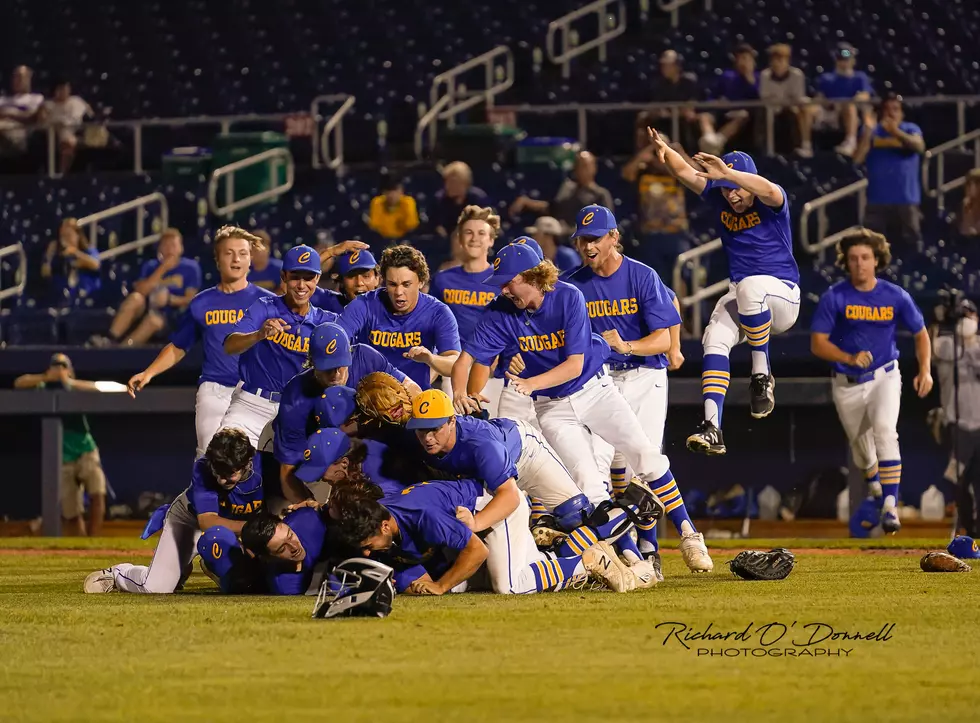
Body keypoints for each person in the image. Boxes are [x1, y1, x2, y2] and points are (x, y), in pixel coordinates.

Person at [451, 240, 713, 573]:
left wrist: (530, 382)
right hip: (552, 407)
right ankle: (631, 558)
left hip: (594, 390)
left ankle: (689, 534)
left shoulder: (568, 295)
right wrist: (462, 391)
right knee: (588, 483)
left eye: (508, 281)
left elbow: (575, 364)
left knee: (644, 455)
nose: (503, 289)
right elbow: (467, 359)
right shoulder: (501, 310)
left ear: (531, 275)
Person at [566, 206, 704, 577]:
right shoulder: (573, 283)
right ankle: (630, 550)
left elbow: (664, 329)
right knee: (604, 467)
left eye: (595, 238)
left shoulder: (641, 274)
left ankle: (655, 545)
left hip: (644, 374)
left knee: (643, 462)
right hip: (600, 380)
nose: (588, 245)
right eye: (582, 239)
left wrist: (631, 345)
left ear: (614, 237)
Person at [648, 128, 801, 455]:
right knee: (714, 335)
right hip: (747, 299)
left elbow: (770, 189)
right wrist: (665, 150)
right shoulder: (719, 196)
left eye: (736, 188)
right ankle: (712, 426)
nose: (731, 194)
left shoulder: (770, 201)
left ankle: (762, 375)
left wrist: (730, 174)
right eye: (726, 189)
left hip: (783, 297)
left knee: (749, 287)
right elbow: (685, 171)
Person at [810, 229, 932, 534]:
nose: (859, 264)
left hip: (884, 376)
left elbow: (921, 332)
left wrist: (925, 370)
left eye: (865, 257)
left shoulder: (895, 295)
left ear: (877, 260)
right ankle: (877, 490)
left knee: (885, 432)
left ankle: (891, 507)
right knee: (862, 452)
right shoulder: (835, 296)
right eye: (853, 259)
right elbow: (817, 343)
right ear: (846, 263)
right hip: (846, 382)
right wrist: (849, 358)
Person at [330, 476, 639, 595]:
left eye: (369, 546)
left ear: (384, 526)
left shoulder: (423, 517)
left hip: (488, 510)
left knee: (509, 585)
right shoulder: (378, 515)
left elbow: (476, 551)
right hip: (463, 523)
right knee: (461, 585)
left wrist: (438, 586)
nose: (368, 553)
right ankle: (566, 546)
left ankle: (583, 562)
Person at [126, 226, 275, 457]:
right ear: (217, 260)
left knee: (253, 468)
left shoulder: (270, 303)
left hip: (255, 394)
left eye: (243, 253)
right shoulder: (200, 303)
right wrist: (149, 373)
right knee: (211, 461)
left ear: (250, 260)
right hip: (214, 392)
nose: (236, 259)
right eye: (229, 253)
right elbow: (179, 346)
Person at [83, 428, 263, 594]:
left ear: (247, 463)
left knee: (251, 582)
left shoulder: (265, 466)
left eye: (230, 473)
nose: (222, 480)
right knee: (156, 587)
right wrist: (252, 528)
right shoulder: (203, 467)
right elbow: (207, 521)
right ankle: (117, 574)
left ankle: (206, 565)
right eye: (218, 471)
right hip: (189, 521)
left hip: (232, 529)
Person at [273, 323, 420, 502]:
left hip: (369, 443)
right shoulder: (295, 398)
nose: (335, 374)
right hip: (322, 457)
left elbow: (411, 388)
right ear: (312, 362)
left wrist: (408, 411)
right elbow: (287, 472)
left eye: (340, 365)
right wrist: (308, 506)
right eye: (327, 368)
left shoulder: (366, 358)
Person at [220, 244, 339, 449]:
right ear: (284, 277)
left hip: (299, 409)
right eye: (295, 277)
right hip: (253, 405)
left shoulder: (327, 321)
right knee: (225, 453)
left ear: (317, 279)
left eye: (308, 278)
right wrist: (258, 335)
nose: (301, 285)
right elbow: (230, 345)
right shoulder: (264, 307)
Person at [339, 244, 461, 390]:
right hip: (367, 397)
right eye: (392, 284)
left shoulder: (438, 312)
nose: (398, 292)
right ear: (383, 281)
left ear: (421, 282)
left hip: (414, 400)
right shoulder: (364, 304)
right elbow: (333, 340)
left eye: (406, 284)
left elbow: (455, 364)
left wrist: (430, 359)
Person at [14, 353, 108, 536]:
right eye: (56, 366)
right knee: (71, 510)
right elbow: (19, 383)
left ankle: (95, 540)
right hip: (62, 456)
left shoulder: (75, 388)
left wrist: (68, 382)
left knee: (97, 494)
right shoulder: (43, 387)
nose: (59, 370)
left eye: (63, 366)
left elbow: (96, 389)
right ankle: (84, 547)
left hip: (85, 450)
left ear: (70, 370)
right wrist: (46, 377)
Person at [428, 206, 504, 413]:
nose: (474, 239)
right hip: (454, 368)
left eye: (481, 233)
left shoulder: (502, 281)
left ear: (491, 240)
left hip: (493, 370)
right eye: (468, 233)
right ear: (460, 239)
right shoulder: (443, 280)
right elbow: (430, 323)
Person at [92, 228, 202, 347]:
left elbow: (191, 299)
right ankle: (110, 338)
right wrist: (163, 268)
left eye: (173, 245)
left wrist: (170, 299)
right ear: (159, 249)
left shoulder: (191, 268)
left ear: (181, 248)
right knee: (135, 298)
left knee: (152, 320)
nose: (170, 249)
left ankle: (122, 349)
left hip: (173, 316)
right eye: (165, 245)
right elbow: (141, 291)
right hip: (148, 307)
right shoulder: (151, 266)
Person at [621, 121, 694, 284]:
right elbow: (626, 173)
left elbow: (697, 174)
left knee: (685, 278)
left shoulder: (677, 172)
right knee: (656, 281)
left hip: (677, 234)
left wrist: (679, 153)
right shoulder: (642, 172)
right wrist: (647, 150)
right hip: (651, 236)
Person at [196, 506, 331, 595]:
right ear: (268, 558)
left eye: (290, 535)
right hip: (251, 578)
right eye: (282, 548)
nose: (294, 547)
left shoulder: (308, 519)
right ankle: (220, 572)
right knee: (238, 580)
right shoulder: (285, 585)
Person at [932, 300, 980, 537]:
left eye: (969, 315)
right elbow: (937, 348)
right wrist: (942, 322)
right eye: (962, 316)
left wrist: (970, 338)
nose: (966, 321)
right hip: (958, 426)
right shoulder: (946, 345)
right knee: (960, 483)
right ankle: (968, 531)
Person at [853, 94, 925, 248]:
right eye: (887, 110)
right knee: (873, 247)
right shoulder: (872, 131)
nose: (891, 113)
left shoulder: (910, 129)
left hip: (906, 201)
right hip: (876, 201)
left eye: (895, 109)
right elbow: (857, 159)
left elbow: (919, 146)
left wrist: (895, 132)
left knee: (911, 246)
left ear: (902, 113)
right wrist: (867, 132)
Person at [509, 151, 614, 233]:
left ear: (594, 168)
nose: (581, 169)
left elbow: (606, 227)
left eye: (585, 166)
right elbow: (552, 209)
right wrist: (526, 202)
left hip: (580, 238)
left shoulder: (600, 194)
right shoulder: (567, 188)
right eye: (578, 165)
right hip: (555, 234)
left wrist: (569, 231)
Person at [815, 42, 874, 157]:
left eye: (847, 59)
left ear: (853, 60)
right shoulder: (826, 78)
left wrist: (850, 101)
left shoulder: (860, 77)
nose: (844, 63)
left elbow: (865, 95)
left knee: (849, 105)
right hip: (830, 112)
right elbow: (820, 97)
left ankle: (850, 141)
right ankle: (806, 145)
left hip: (852, 112)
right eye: (841, 59)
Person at [699, 44, 759, 154]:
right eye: (740, 58)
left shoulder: (757, 77)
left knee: (742, 115)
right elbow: (712, 96)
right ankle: (709, 138)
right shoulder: (727, 76)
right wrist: (716, 102)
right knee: (704, 116)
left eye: (745, 59)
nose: (742, 62)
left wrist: (749, 78)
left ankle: (718, 141)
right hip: (724, 111)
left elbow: (758, 98)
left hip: (744, 113)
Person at [758, 44, 814, 158]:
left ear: (787, 60)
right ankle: (767, 150)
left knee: (805, 106)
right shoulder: (765, 75)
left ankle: (805, 145)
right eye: (775, 59)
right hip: (773, 110)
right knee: (762, 111)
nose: (778, 63)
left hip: (792, 108)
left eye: (781, 59)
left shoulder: (797, 75)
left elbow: (798, 98)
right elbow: (765, 98)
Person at [646, 50, 701, 150]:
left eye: (667, 65)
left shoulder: (688, 82)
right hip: (665, 121)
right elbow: (657, 107)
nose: (663, 68)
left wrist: (677, 111)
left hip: (685, 121)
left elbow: (690, 107)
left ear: (677, 66)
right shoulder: (659, 84)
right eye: (662, 65)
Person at [40, 217, 101, 305]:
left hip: (89, 295)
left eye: (68, 235)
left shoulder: (88, 250)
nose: (65, 240)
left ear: (78, 235)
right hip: (67, 298)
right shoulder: (59, 256)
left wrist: (76, 253)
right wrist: (49, 256)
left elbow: (95, 264)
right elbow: (45, 273)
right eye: (63, 236)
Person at [43, 79, 93, 174]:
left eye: (65, 88)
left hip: (76, 131)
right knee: (66, 141)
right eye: (60, 88)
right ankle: (60, 173)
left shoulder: (76, 101)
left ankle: (64, 173)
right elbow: (44, 121)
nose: (63, 91)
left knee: (69, 141)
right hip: (54, 134)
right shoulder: (48, 105)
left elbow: (89, 114)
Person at [431, 161, 490, 238]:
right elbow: (434, 224)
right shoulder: (439, 199)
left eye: (453, 182)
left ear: (465, 183)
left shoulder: (478, 198)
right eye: (446, 181)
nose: (448, 186)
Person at [0, 65, 45, 160]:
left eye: (21, 76)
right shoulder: (3, 100)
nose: (17, 80)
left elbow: (32, 118)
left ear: (29, 79)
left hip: (20, 133)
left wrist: (9, 114)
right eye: (15, 76)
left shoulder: (36, 99)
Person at [368, 173, 420, 240]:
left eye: (395, 191)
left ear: (401, 192)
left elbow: (411, 226)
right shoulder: (377, 202)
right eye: (389, 192)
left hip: (405, 239)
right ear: (384, 192)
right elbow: (374, 226)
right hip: (382, 239)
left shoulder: (408, 202)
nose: (392, 195)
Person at [958, 170, 980, 238]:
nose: (970, 187)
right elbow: (964, 232)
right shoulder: (965, 206)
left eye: (976, 183)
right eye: (967, 183)